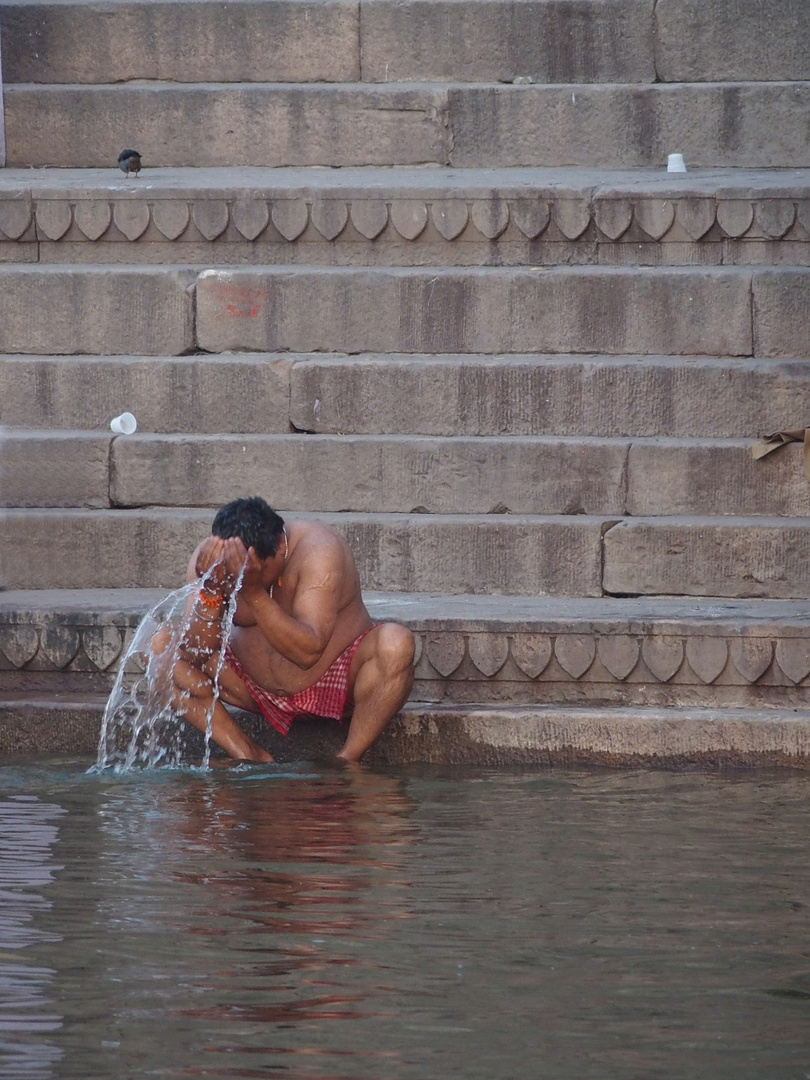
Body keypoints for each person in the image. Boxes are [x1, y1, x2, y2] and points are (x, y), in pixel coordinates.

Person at [156, 496, 415, 763]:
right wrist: (210, 592)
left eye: (252, 570)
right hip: (250, 689)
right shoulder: (212, 557)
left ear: (280, 548)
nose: (239, 578)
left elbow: (308, 653)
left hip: (336, 685)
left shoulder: (319, 550)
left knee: (396, 644)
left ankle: (347, 761)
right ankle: (246, 752)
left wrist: (254, 593)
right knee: (159, 645)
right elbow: (195, 653)